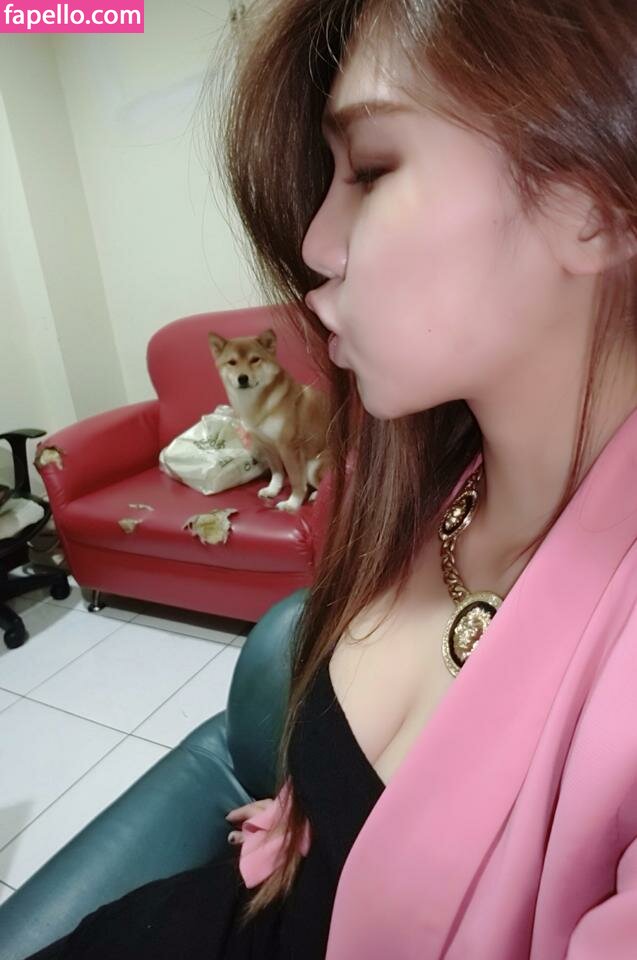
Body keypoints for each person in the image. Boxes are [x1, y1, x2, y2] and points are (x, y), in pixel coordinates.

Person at [24, 0, 637, 957]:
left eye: (372, 168)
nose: (313, 243)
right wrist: (305, 814)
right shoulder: (417, 477)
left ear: (594, 203)